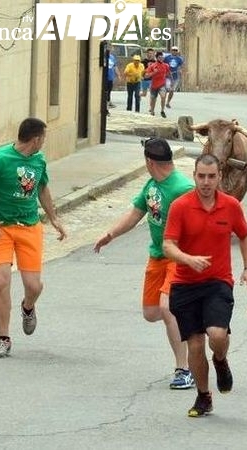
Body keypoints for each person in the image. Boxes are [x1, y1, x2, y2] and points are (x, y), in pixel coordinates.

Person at [93, 138, 196, 390]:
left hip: (179, 257)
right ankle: (190, 322)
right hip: (157, 256)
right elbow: (135, 214)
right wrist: (111, 234)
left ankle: (184, 369)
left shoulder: (183, 188)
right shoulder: (152, 186)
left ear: (149, 161)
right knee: (151, 313)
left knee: (167, 308)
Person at [162, 154, 247, 418]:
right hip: (185, 284)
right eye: (201, 176)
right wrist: (187, 259)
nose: (206, 182)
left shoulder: (231, 206)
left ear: (219, 177)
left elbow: (245, 235)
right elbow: (168, 245)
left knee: (216, 335)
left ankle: (220, 360)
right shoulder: (180, 206)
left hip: (218, 282)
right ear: (194, 176)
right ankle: (204, 396)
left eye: (211, 176)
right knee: (194, 345)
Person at [0, 117, 67, 358]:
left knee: (34, 285)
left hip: (29, 227)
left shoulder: (39, 160)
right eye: (44, 138)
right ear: (36, 139)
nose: (44, 142)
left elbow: (41, 188)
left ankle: (28, 307)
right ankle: (3, 338)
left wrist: (53, 217)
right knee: (1, 281)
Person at [145, 51, 170, 118]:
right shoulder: (152, 66)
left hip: (162, 84)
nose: (161, 58)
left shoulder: (166, 65)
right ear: (156, 58)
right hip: (154, 85)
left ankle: (162, 110)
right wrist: (153, 73)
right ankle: (152, 111)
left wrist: (170, 83)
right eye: (159, 57)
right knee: (153, 99)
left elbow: (168, 74)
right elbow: (146, 76)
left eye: (162, 57)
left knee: (163, 96)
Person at [105, 44, 121, 109]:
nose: (110, 49)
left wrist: (118, 75)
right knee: (105, 91)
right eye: (109, 48)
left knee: (109, 90)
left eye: (111, 48)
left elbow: (115, 67)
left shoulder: (112, 57)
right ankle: (106, 104)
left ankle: (108, 102)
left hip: (111, 77)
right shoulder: (105, 57)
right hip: (105, 77)